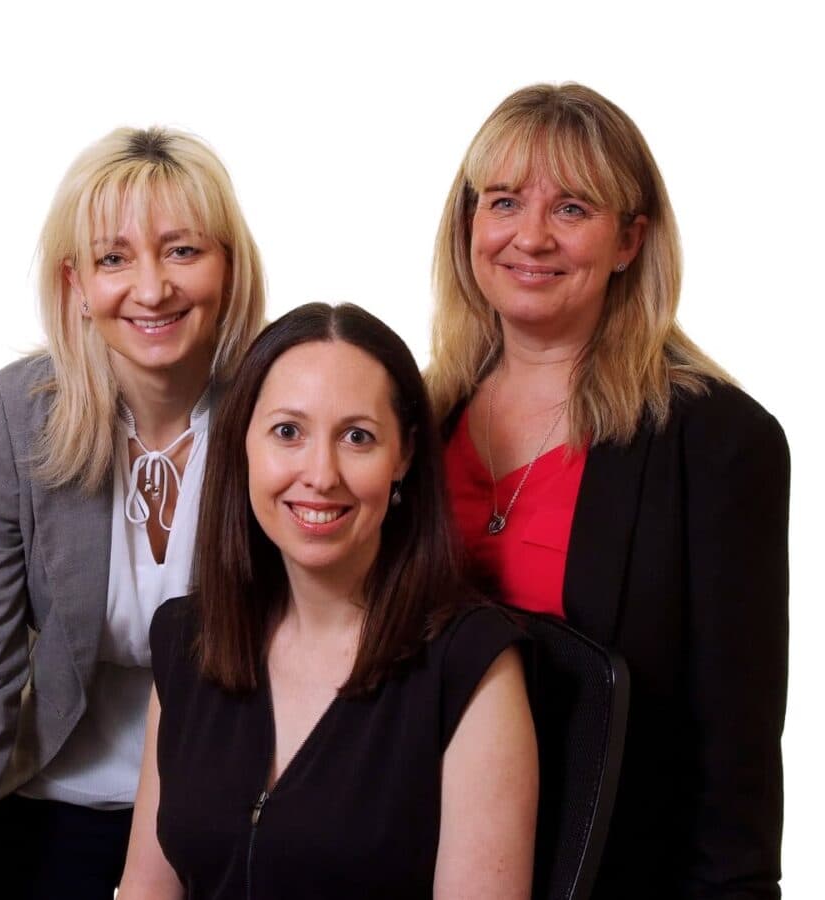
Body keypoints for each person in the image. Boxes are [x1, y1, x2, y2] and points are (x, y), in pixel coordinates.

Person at [429, 82, 789, 899]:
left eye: (572, 208)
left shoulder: (717, 442)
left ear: (629, 240)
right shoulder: (413, 418)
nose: (530, 236)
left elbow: (736, 757)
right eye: (504, 201)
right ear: (469, 224)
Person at [0, 126, 265, 900]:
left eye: (182, 250)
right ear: (76, 283)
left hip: (231, 809)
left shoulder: (281, 412)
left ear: (229, 266)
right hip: (54, 803)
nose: (152, 289)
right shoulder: (15, 419)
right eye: (114, 258)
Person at [119, 303, 538, 899]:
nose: (320, 474)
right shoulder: (187, 638)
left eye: (357, 437)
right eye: (288, 432)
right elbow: (147, 890)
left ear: (403, 456)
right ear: (243, 442)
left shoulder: (472, 662)